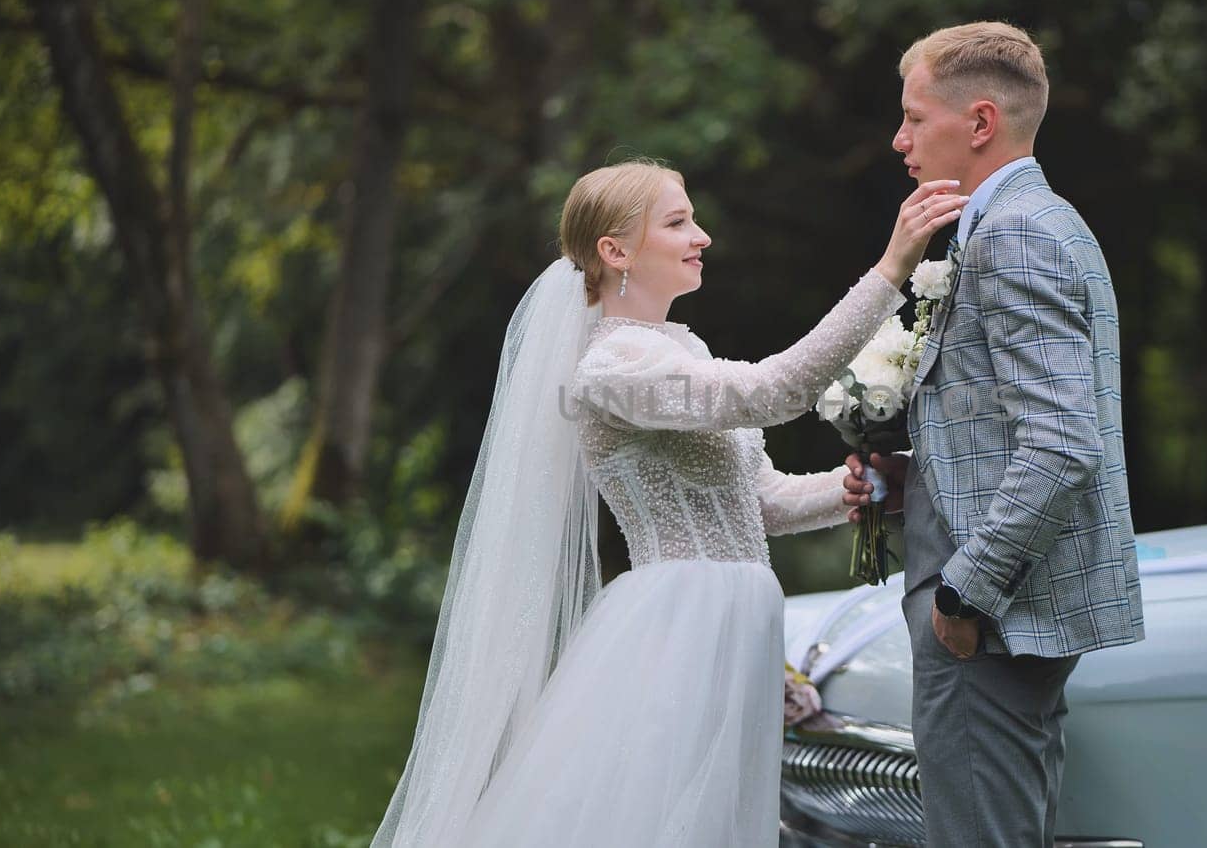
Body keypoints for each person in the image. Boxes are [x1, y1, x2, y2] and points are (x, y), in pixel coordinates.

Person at [370, 159, 967, 847]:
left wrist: (860, 490)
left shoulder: (680, 349)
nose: (703, 236)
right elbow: (773, 392)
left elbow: (759, 504)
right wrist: (891, 270)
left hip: (732, 617)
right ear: (614, 251)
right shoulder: (612, 368)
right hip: (677, 622)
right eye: (679, 222)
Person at [842, 21, 1146, 847]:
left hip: (992, 616)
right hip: (1007, 608)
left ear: (979, 123)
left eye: (914, 117)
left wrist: (963, 591)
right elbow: (1019, 423)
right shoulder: (1033, 220)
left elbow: (1061, 442)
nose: (898, 139)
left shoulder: (1012, 233)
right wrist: (919, 474)